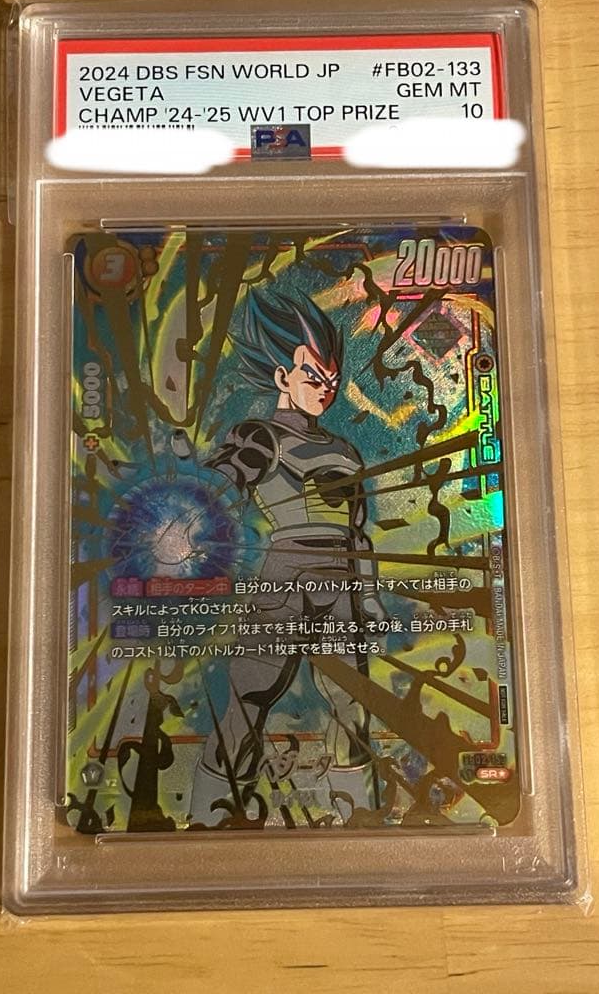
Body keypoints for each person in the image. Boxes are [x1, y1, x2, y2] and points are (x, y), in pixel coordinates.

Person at [180, 288, 387, 826]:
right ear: (282, 378)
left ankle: (358, 821)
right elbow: (224, 482)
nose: (325, 390)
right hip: (285, 576)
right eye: (313, 377)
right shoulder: (262, 436)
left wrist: (368, 597)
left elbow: (357, 535)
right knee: (250, 697)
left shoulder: (344, 451)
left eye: (331, 380)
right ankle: (209, 821)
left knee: (350, 705)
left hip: (340, 582)